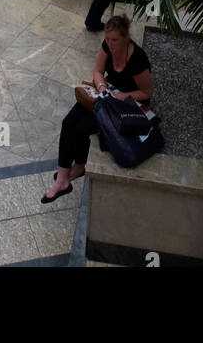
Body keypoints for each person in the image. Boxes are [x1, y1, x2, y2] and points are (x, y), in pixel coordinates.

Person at [42, 14, 153, 203]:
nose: (110, 44)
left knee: (82, 128)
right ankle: (61, 179)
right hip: (106, 95)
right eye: (107, 39)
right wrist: (102, 87)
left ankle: (79, 165)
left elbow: (146, 92)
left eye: (115, 40)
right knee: (68, 122)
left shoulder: (138, 58)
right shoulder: (107, 47)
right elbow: (98, 71)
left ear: (126, 38)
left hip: (125, 103)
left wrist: (118, 96)